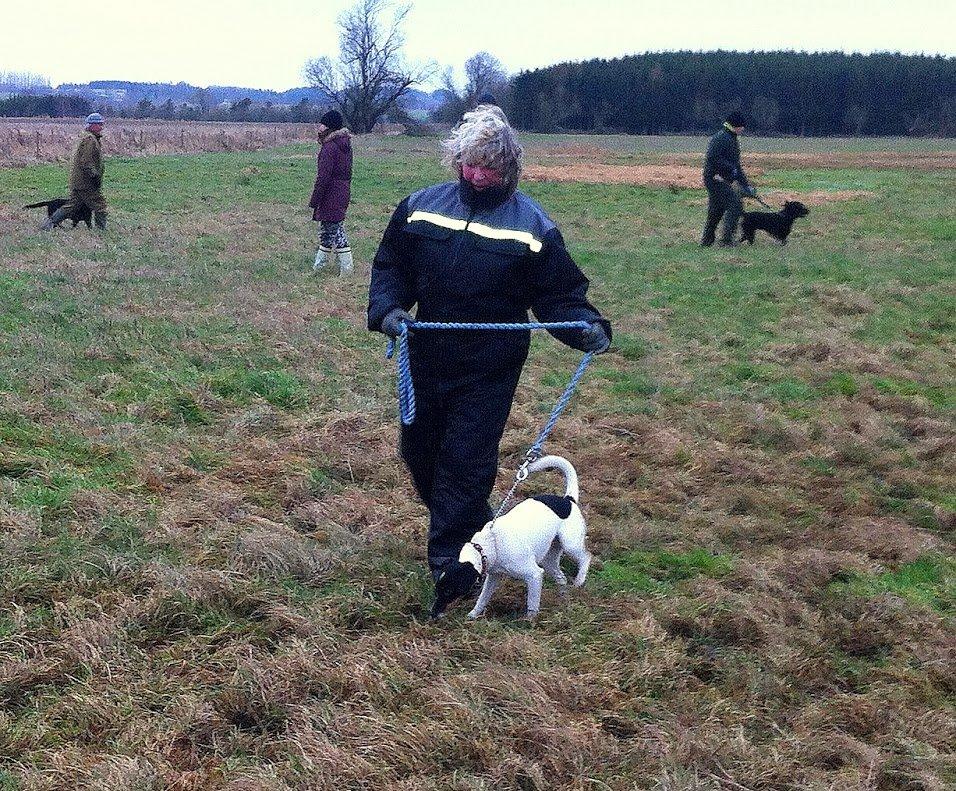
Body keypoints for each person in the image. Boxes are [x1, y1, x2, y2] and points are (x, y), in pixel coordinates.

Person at [368, 106, 612, 582]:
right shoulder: (420, 207)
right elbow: (391, 267)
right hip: (427, 353)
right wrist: (389, 311)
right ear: (456, 161)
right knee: (420, 453)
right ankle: (481, 532)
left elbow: (559, 294)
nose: (477, 177)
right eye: (469, 165)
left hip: (490, 365)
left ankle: (452, 565)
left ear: (509, 169)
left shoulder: (532, 226)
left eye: (490, 168)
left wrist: (584, 325)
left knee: (464, 459)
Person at [43, 113, 107, 231]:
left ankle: (48, 224)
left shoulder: (86, 137)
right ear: (92, 125)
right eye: (99, 124)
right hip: (86, 182)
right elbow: (86, 161)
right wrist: (94, 176)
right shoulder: (90, 139)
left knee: (72, 205)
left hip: (79, 181)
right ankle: (100, 231)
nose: (101, 127)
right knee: (100, 205)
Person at [701, 110, 755, 247]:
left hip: (721, 179)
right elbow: (713, 158)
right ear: (736, 125)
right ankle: (726, 241)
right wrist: (730, 168)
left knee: (716, 209)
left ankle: (707, 241)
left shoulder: (731, 138)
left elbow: (736, 165)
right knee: (735, 205)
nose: (743, 129)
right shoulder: (721, 138)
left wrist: (746, 185)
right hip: (715, 178)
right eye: (742, 126)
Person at [309, 109, 354, 275]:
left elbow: (323, 177)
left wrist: (314, 200)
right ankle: (319, 267)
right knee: (328, 231)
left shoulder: (329, 148)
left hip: (330, 195)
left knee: (336, 232)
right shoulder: (345, 146)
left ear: (329, 127)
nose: (319, 127)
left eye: (322, 124)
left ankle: (347, 270)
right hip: (342, 193)